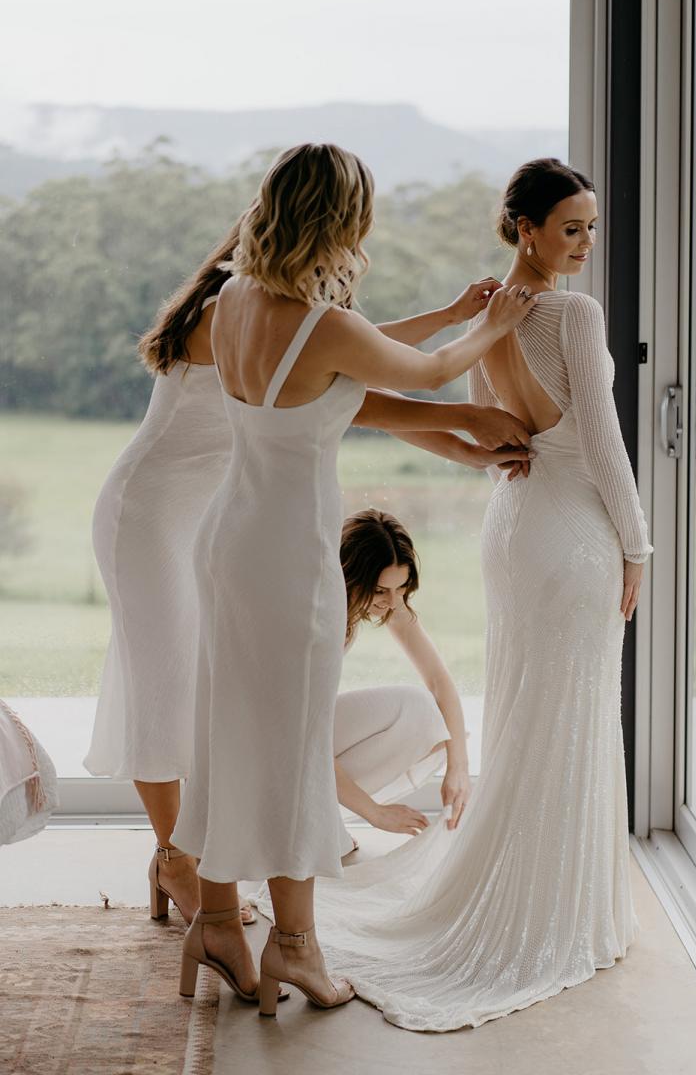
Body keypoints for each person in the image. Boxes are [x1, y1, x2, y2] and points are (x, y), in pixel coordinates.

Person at [84, 211, 531, 929]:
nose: (351, 256)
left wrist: (449, 323)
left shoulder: (271, 310)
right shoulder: (225, 308)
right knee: (164, 692)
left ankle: (196, 857)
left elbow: (344, 364)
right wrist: (462, 414)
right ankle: (174, 862)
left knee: (196, 692)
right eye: (343, 241)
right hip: (151, 512)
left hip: (203, 513)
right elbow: (345, 388)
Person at [169, 142, 534, 1014]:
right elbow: (420, 370)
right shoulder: (321, 325)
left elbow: (348, 371)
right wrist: (494, 324)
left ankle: (218, 920)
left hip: (228, 541)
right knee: (293, 744)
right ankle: (294, 947)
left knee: (228, 731)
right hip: (287, 556)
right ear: (342, 220)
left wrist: (447, 321)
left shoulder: (232, 304)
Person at [292, 157, 652, 1032]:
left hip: (512, 521)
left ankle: (537, 892)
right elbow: (601, 445)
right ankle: (560, 911)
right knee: (563, 712)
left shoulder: (500, 314)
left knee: (534, 709)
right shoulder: (570, 313)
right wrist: (639, 546)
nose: (584, 244)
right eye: (571, 228)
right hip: (568, 532)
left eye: (591, 228)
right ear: (523, 227)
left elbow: (468, 415)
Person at [332, 509, 471, 851]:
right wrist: (374, 813)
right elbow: (303, 739)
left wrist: (459, 767)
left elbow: (439, 681)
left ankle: (319, 812)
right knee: (418, 710)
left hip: (301, 737)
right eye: (380, 591)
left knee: (422, 712)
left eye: (401, 588)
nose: (392, 603)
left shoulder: (389, 603)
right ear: (350, 577)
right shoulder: (319, 616)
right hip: (267, 746)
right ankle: (309, 815)